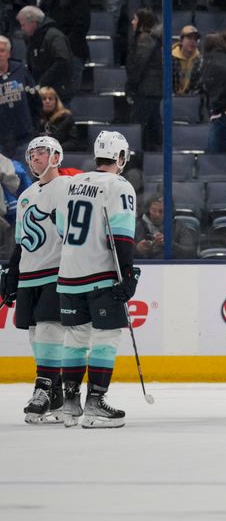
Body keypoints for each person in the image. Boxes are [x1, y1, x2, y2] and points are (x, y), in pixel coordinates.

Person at [55, 130, 139, 429]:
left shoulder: (73, 182)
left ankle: (69, 404)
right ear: (120, 157)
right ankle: (95, 404)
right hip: (101, 273)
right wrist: (127, 274)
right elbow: (122, 235)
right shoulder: (119, 185)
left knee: (75, 339)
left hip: (69, 273)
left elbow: (61, 226)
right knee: (105, 338)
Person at [0, 136, 70, 424]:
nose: (35, 157)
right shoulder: (26, 194)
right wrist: (11, 274)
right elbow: (20, 243)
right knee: (33, 333)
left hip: (56, 271)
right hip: (29, 274)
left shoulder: (66, 188)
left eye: (42, 152)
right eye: (31, 153)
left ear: (56, 156)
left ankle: (42, 388)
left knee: (49, 329)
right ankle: (55, 390)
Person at [17, 5, 72, 103]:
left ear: (33, 23)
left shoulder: (54, 36)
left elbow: (62, 61)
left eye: (23, 25)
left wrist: (42, 81)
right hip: (40, 90)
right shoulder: (32, 38)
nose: (22, 28)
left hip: (57, 92)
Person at [200, 33, 226, 153]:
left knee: (214, 157)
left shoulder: (214, 60)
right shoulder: (222, 59)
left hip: (223, 113)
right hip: (221, 112)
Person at [126, 8, 162, 151]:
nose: (132, 22)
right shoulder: (149, 39)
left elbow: (138, 66)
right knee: (152, 128)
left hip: (146, 90)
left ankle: (138, 160)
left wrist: (130, 87)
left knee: (139, 128)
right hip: (151, 90)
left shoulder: (144, 39)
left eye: (135, 19)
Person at [0, 35, 40, 159]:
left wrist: (33, 127)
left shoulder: (21, 71)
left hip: (23, 137)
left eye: (2, 51)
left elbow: (35, 100)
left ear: (8, 53)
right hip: (1, 141)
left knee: (25, 175)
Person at [37, 86, 79, 151]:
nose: (47, 101)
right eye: (44, 99)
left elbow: (73, 142)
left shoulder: (66, 118)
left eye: (50, 99)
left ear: (56, 101)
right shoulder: (33, 119)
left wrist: (56, 148)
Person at [172, 24, 202, 95]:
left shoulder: (200, 60)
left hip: (192, 99)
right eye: (189, 38)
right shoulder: (170, 58)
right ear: (181, 40)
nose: (192, 41)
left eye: (195, 39)